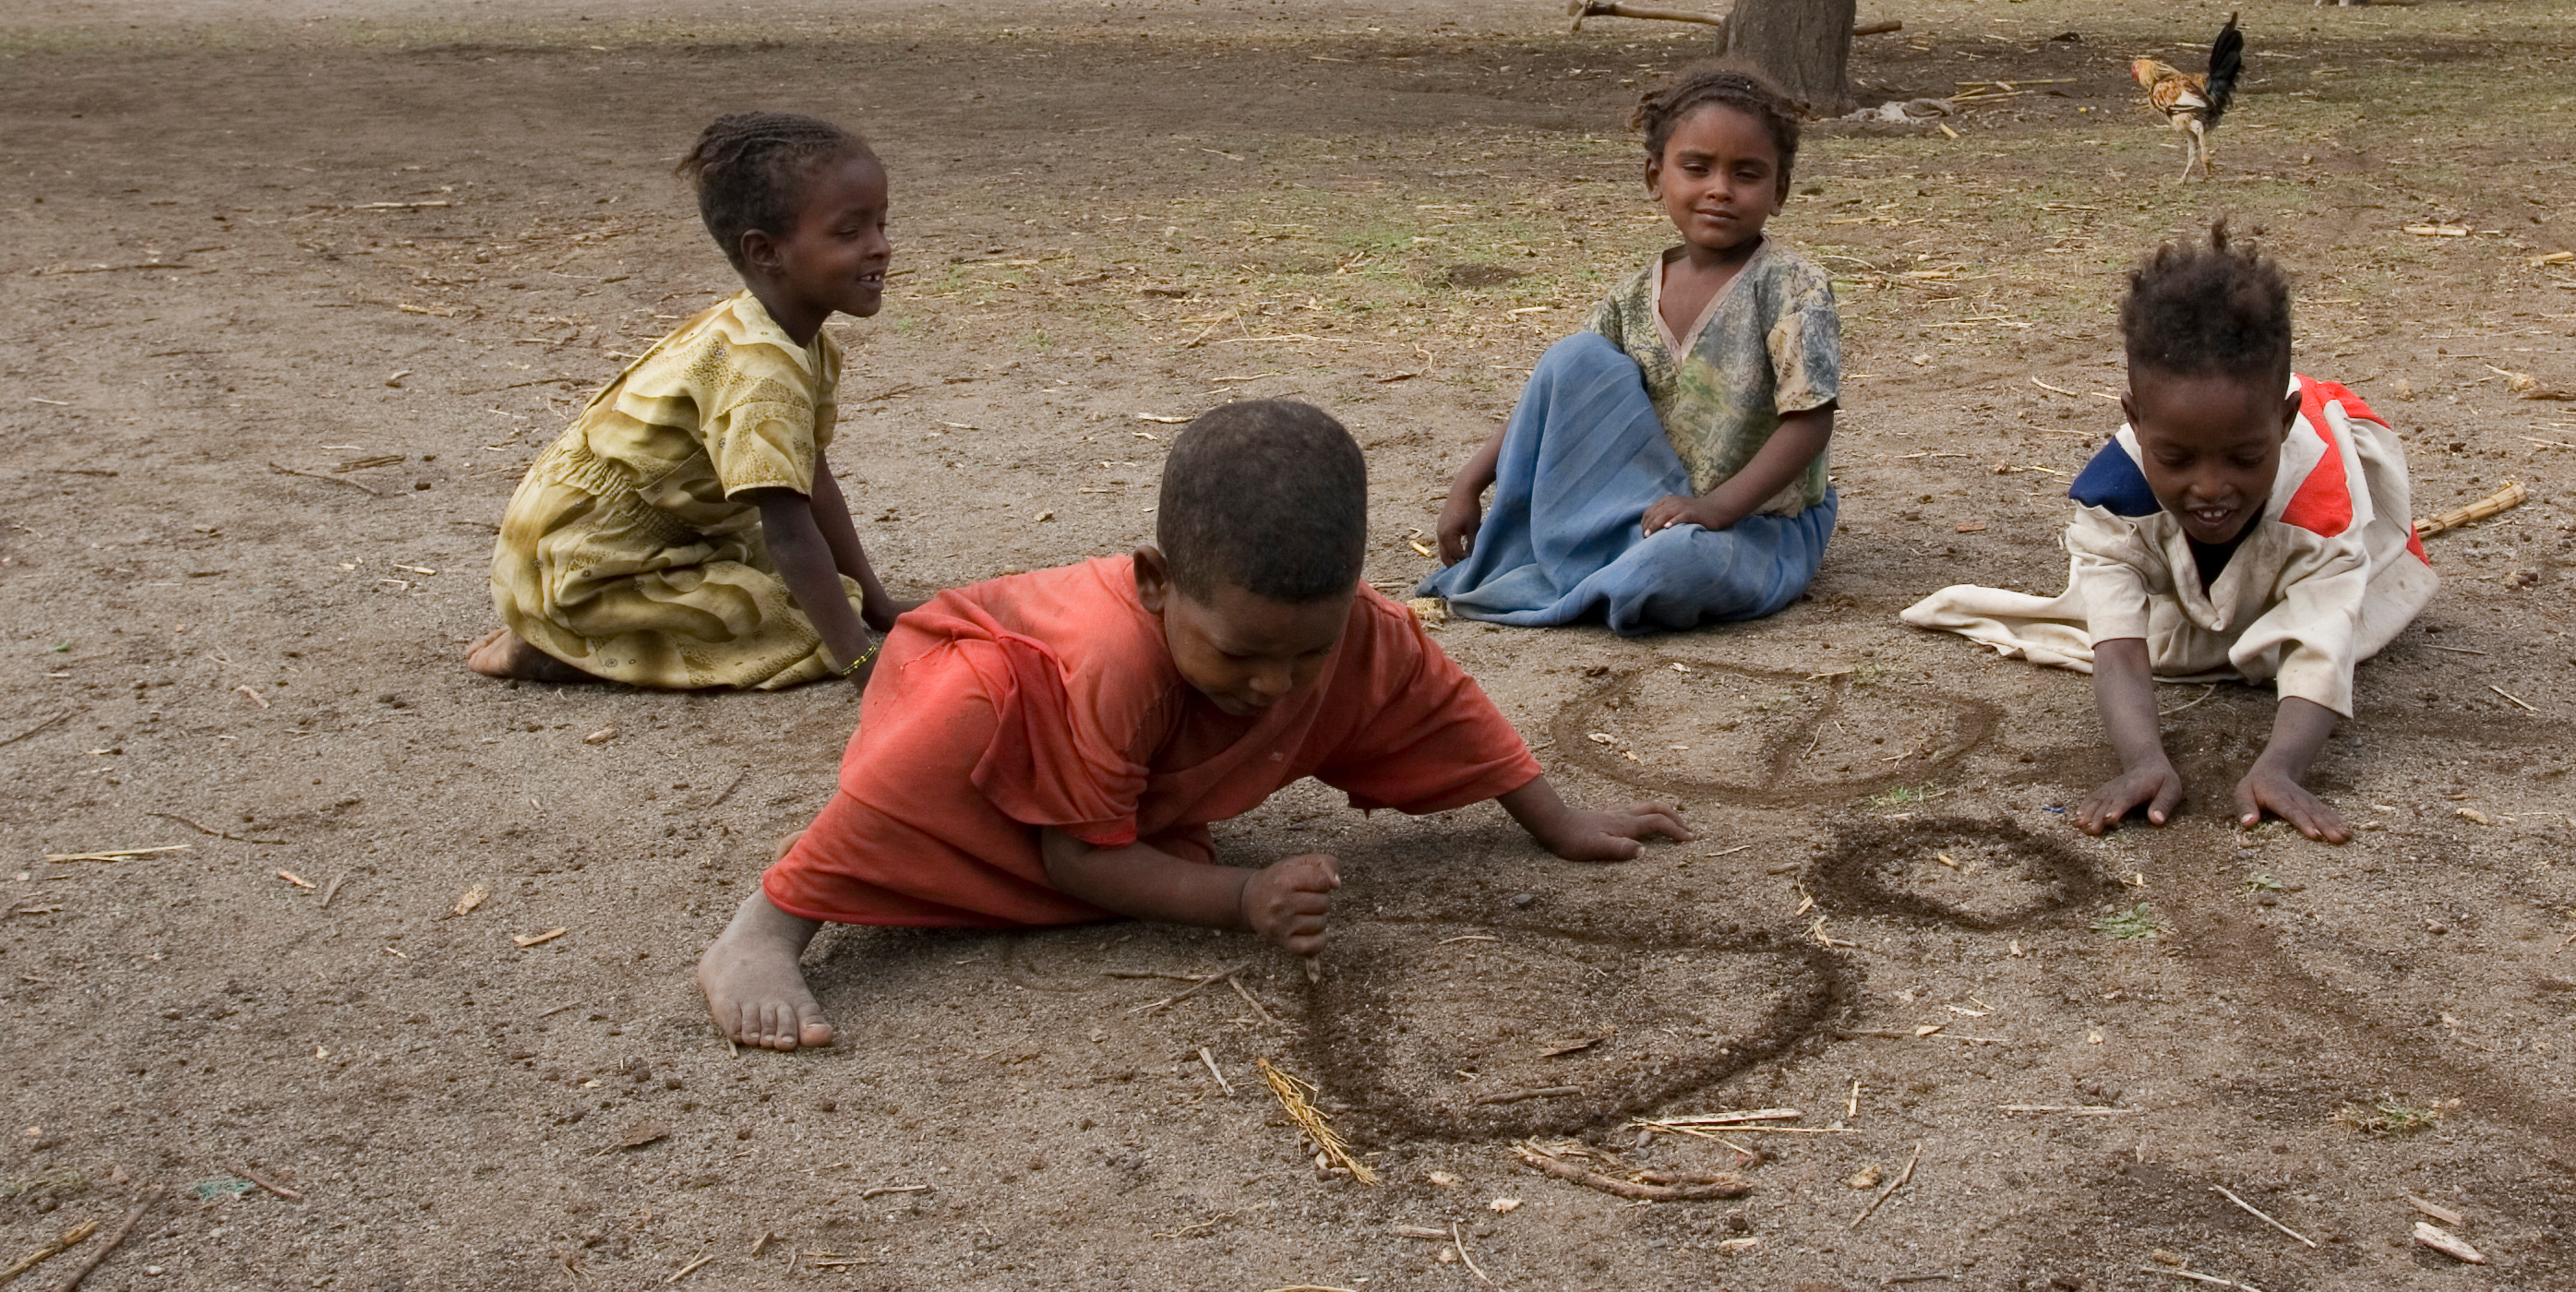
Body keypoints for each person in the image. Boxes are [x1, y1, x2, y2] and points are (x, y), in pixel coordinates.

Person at [700, 399, 1686, 1050]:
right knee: (960, 720)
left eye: (1306, 654)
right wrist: (1241, 895)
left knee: (1151, 840)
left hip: (1111, 791)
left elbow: (1445, 711)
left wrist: (1556, 819)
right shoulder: (1115, 651)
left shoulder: (1358, 631)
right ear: (1157, 582)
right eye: (1241, 652)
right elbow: (1076, 858)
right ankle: (773, 916)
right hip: (981, 705)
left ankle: (1136, 845)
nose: (1273, 684)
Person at [1899, 221, 2431, 843]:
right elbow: (2121, 646)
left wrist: (2281, 767)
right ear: (2136, 421)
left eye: (2243, 458)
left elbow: (2321, 646)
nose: (2210, 487)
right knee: (2186, 638)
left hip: (2326, 486)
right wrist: (2143, 760)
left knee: (2345, 612)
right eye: (2177, 459)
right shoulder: (2114, 492)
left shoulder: (2322, 505)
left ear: (2283, 423)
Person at [465, 112, 905, 690]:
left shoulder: (793, 339)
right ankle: (559, 640)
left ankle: (567, 623)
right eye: (849, 233)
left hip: (646, 540)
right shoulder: (759, 371)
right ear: (766, 251)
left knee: (823, 595)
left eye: (879, 224)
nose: (880, 248)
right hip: (589, 567)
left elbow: (812, 483)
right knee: (790, 624)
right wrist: (858, 663)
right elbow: (791, 533)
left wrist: (879, 609)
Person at [1423, 63, 1840, 631]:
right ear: (1655, 178)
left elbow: (1809, 423)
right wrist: (1469, 483)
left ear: (1779, 191)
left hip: (1754, 526)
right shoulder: (1632, 297)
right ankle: (1607, 563)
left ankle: (1608, 572)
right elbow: (1554, 397)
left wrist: (1716, 510)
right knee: (1573, 356)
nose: (1719, 189)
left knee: (1674, 567)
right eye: (1696, 168)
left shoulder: (1793, 287)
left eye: (1747, 173)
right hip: (1647, 513)